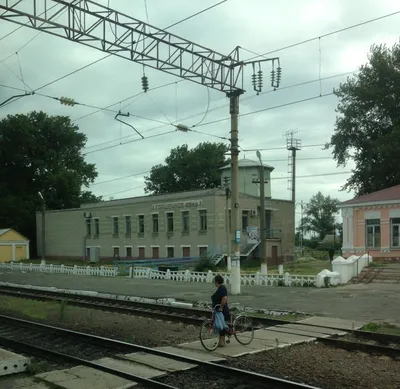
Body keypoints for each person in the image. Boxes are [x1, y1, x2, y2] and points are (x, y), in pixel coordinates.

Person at [211, 274, 230, 347]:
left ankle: (221, 342)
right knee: (220, 325)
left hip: (222, 310)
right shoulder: (220, 288)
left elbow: (224, 298)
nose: (214, 283)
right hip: (218, 310)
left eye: (214, 281)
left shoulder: (222, 288)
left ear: (216, 281)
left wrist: (221, 306)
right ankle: (221, 341)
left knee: (221, 325)